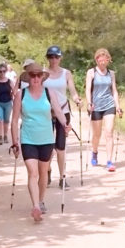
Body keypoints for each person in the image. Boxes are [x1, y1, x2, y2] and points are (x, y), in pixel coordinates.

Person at [9, 61, 67, 222]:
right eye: (32, 75)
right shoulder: (21, 94)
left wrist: (64, 124)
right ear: (28, 78)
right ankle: (35, 205)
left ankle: (40, 200)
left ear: (42, 77)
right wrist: (15, 142)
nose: (35, 78)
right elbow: (14, 121)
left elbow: (58, 111)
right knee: (32, 173)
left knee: (43, 173)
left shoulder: (49, 93)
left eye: (38, 75)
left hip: (47, 139)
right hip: (28, 139)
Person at [43, 45, 81, 187]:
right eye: (51, 57)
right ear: (47, 58)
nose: (54, 60)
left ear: (60, 58)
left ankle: (62, 177)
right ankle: (47, 171)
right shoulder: (42, 73)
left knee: (61, 147)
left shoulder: (66, 73)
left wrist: (77, 99)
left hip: (63, 112)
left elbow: (72, 90)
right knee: (47, 146)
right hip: (46, 113)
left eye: (56, 57)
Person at [84, 48, 123, 172]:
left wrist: (117, 106)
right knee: (97, 134)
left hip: (109, 105)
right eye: (100, 60)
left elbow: (114, 90)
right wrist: (89, 102)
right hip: (96, 106)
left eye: (105, 60)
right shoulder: (91, 72)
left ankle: (109, 161)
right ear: (96, 60)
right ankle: (94, 152)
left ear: (108, 60)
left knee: (109, 132)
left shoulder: (111, 74)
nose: (102, 63)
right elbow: (88, 89)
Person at [0, 63, 14, 145]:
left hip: (8, 103)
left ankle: (5, 135)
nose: (2, 73)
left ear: (6, 71)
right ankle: (0, 136)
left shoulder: (9, 81)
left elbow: (14, 90)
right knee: (0, 119)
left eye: (4, 71)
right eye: (0, 71)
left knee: (6, 120)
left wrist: (14, 96)